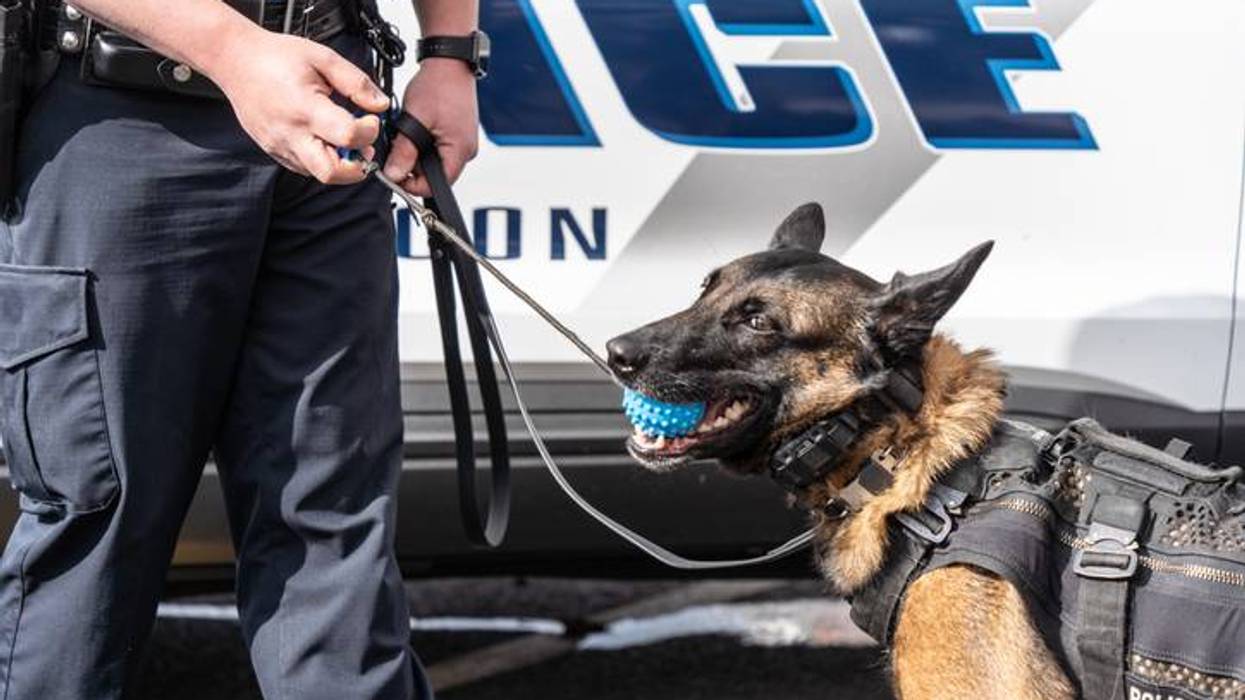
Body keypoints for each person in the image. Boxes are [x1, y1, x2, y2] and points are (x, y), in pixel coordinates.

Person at [0, 0, 482, 697]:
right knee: (94, 541)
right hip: (122, 107)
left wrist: (449, 53)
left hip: (328, 102)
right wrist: (233, 50)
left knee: (333, 528)